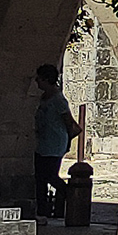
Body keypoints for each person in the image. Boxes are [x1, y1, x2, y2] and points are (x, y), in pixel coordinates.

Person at [31, 62, 80, 221]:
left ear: (46, 79)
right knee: (40, 178)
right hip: (43, 144)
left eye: (39, 78)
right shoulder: (44, 97)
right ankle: (42, 211)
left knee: (50, 176)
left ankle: (68, 196)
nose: (37, 81)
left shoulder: (59, 100)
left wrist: (67, 142)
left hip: (54, 144)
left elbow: (69, 122)